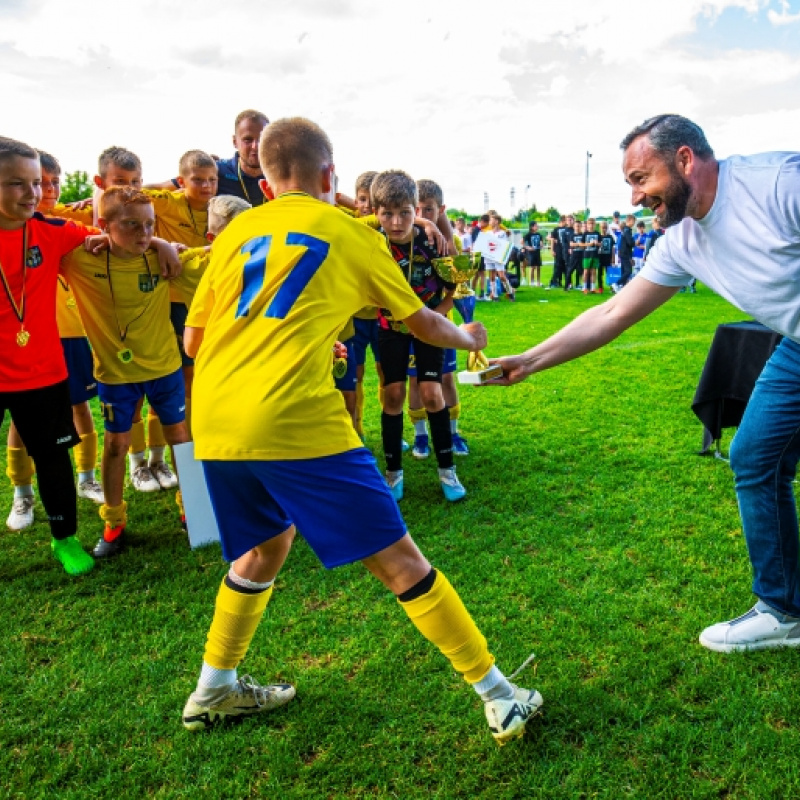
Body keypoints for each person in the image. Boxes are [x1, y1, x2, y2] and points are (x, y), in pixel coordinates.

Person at [180, 117, 542, 743]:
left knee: (264, 548)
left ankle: (214, 689)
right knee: (400, 559)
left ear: (264, 182)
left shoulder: (238, 232)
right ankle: (500, 694)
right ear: (330, 176)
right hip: (291, 415)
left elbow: (194, 337)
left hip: (213, 416)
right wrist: (470, 337)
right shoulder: (349, 233)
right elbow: (422, 320)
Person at [490, 113, 800, 653]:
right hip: (795, 345)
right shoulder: (680, 238)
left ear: (684, 160)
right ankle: (784, 609)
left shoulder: (778, 184)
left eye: (640, 179)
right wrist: (531, 360)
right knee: (755, 458)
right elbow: (612, 314)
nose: (635, 197)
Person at [61, 187, 193, 557]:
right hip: (114, 375)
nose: (143, 233)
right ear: (104, 225)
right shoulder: (79, 261)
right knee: (117, 445)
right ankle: (114, 522)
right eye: (131, 224)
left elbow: (209, 260)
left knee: (180, 438)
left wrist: (165, 243)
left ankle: (193, 511)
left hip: (165, 367)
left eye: (150, 224)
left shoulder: (160, 258)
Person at [5, 150, 104, 532]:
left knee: (54, 457)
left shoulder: (53, 230)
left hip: (44, 371)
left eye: (38, 183)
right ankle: (21, 496)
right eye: (18, 183)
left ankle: (65, 537)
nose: (33, 193)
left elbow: (111, 238)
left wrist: (162, 246)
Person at [373, 170, 465, 501]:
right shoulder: (371, 242)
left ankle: (447, 471)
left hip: (429, 326)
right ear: (376, 212)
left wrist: (434, 318)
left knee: (432, 393)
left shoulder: (433, 241)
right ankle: (393, 474)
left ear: (416, 209)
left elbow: (459, 285)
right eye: (387, 213)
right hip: (390, 329)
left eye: (405, 213)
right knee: (393, 394)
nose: (396, 222)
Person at [611, 214, 636, 292]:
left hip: (623, 253)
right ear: (629, 220)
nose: (634, 223)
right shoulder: (627, 230)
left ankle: (622, 287)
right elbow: (630, 242)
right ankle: (617, 284)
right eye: (633, 221)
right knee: (628, 271)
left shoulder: (625, 230)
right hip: (625, 253)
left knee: (624, 271)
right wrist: (634, 242)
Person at [547, 215, 567, 290]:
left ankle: (564, 282)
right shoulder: (556, 229)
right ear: (563, 221)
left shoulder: (567, 229)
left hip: (565, 250)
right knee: (557, 267)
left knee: (565, 267)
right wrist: (552, 250)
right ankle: (553, 282)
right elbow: (552, 239)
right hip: (558, 250)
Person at [522, 221, 543, 287]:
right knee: (532, 267)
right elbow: (523, 243)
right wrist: (528, 247)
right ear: (532, 227)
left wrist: (541, 244)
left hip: (537, 252)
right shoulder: (528, 235)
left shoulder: (539, 234)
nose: (537, 227)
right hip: (531, 253)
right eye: (536, 226)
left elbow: (541, 241)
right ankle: (532, 281)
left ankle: (538, 281)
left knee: (538, 267)